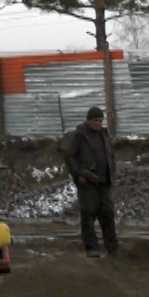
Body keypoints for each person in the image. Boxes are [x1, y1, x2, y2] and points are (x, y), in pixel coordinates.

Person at [59, 106, 118, 257]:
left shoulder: (104, 135)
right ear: (88, 120)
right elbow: (69, 156)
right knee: (88, 213)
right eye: (95, 120)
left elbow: (110, 155)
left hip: (104, 181)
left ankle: (112, 247)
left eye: (100, 120)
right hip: (88, 181)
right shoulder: (80, 135)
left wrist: (112, 170)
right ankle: (91, 247)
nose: (98, 123)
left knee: (107, 214)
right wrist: (78, 174)